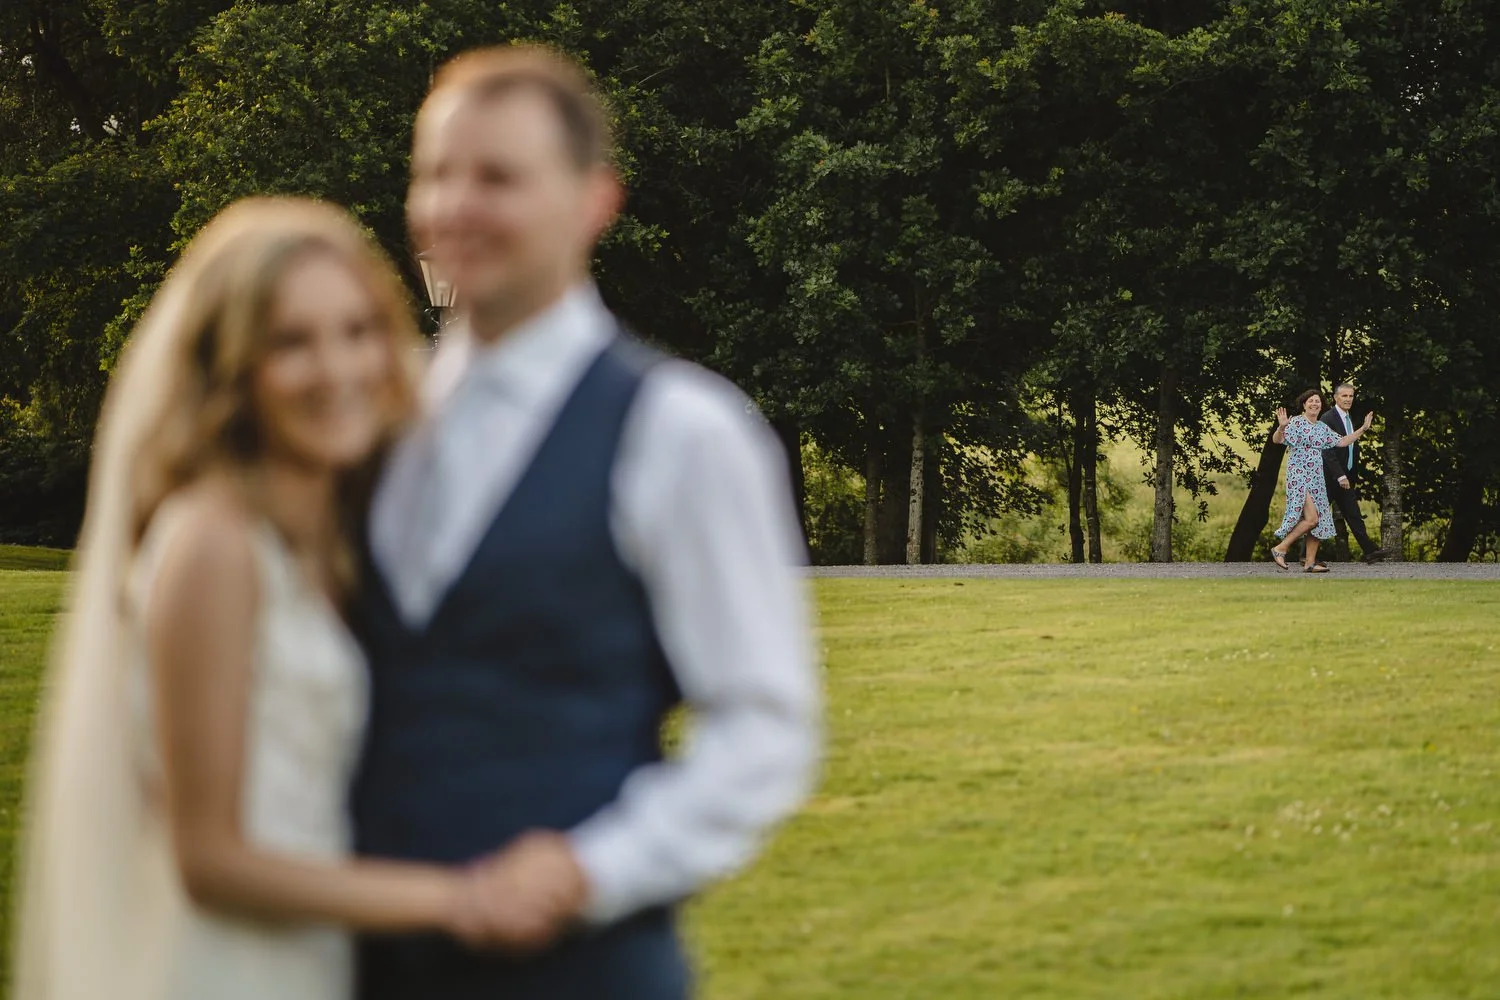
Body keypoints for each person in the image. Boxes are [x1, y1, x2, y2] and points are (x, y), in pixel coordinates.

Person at [353, 45, 821, 1000]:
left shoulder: (681, 430)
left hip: (583, 972)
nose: (455, 207)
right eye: (436, 174)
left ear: (594, 201)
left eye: (497, 177)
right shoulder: (372, 428)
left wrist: (591, 869)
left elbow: (766, 724)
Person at [13, 198, 526, 1000]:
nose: (337, 369)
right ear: (232, 367)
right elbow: (211, 860)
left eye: (357, 331)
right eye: (291, 342)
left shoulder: (331, 538)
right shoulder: (212, 545)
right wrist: (455, 899)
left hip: (328, 956)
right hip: (236, 968)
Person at [1270, 388, 1373, 573]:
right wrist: (1281, 427)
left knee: (1319, 519)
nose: (1314, 404)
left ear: (1321, 406)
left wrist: (1363, 429)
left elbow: (1342, 441)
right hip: (1300, 477)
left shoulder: (1322, 427)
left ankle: (1310, 563)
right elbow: (1277, 440)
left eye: (1317, 401)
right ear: (1304, 405)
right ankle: (1281, 548)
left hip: (1317, 479)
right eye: (1311, 401)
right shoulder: (1296, 422)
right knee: (1312, 519)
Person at [1320, 382, 1391, 563]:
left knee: (1354, 515)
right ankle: (1303, 555)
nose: (1348, 399)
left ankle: (1370, 551)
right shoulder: (1328, 418)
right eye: (1344, 396)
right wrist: (1340, 475)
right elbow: (1327, 451)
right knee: (1316, 517)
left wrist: (1348, 475)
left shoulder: (1347, 417)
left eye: (1351, 396)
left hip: (1346, 477)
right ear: (1336, 398)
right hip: (1329, 478)